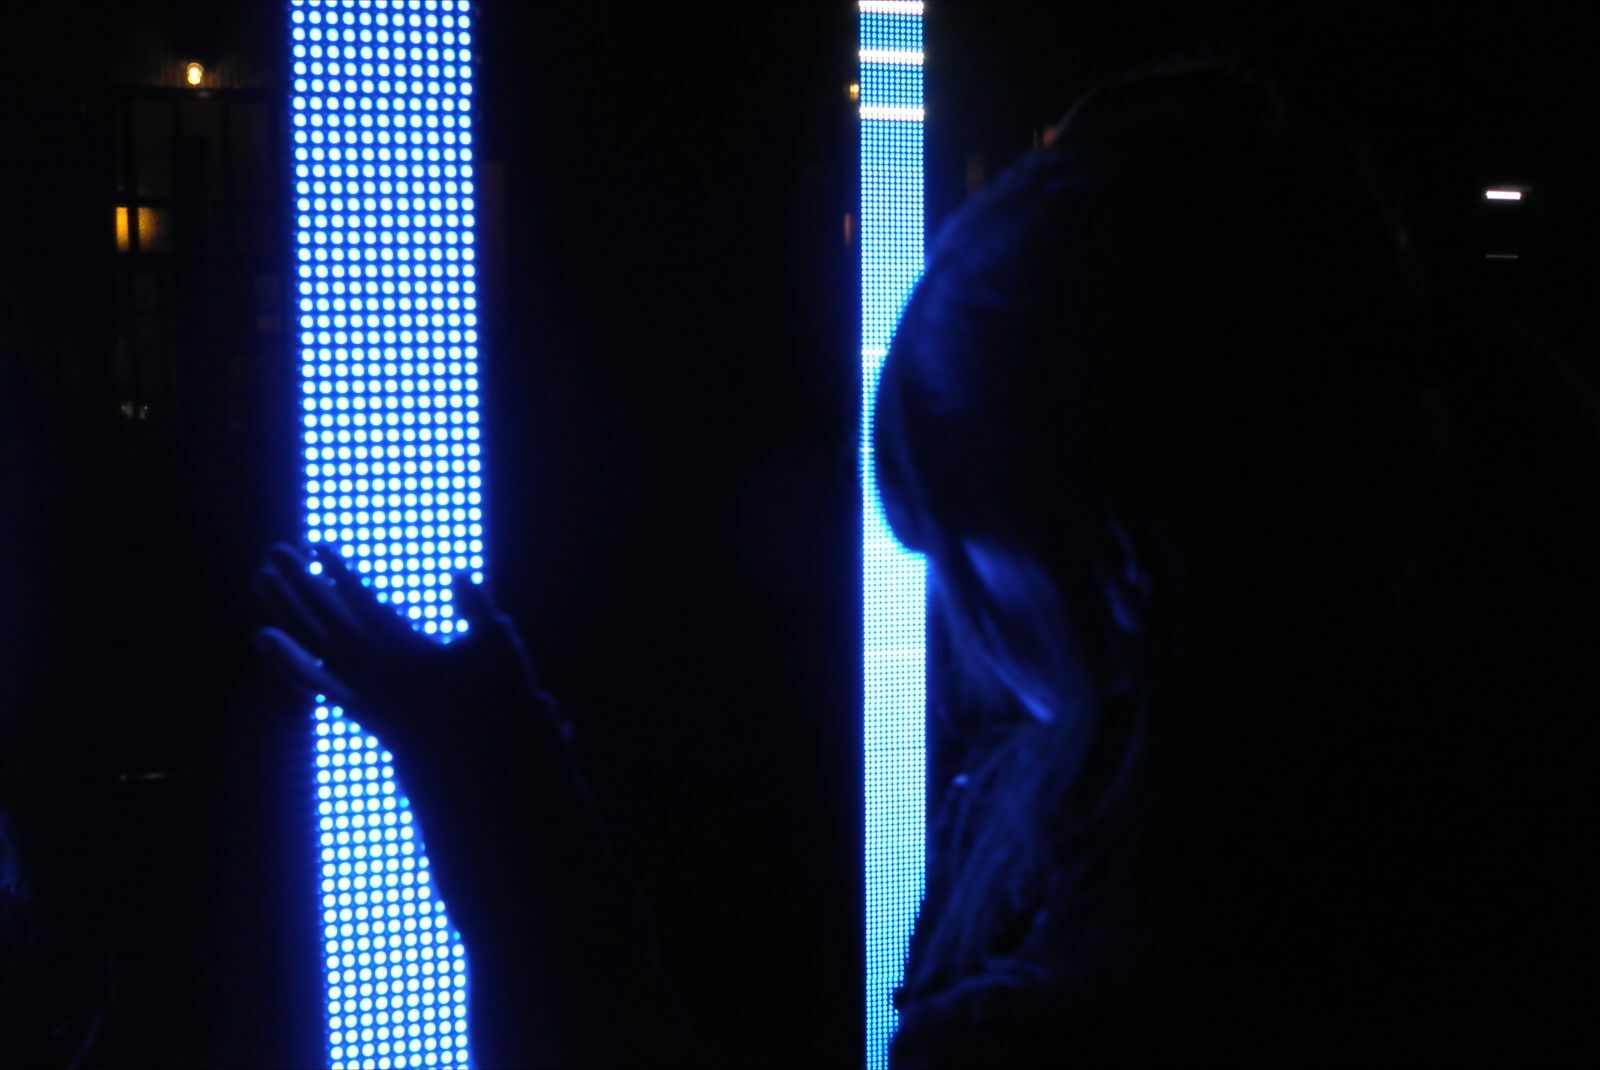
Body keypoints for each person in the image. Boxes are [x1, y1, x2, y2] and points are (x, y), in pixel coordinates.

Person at [256, 50, 1600, 1068]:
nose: (949, 623)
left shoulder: (1081, 999)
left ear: (1123, 564)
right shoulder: (1480, 790)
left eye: (968, 551)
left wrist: (499, 802)